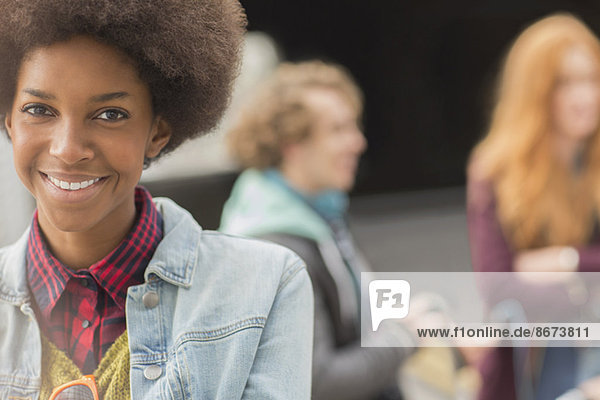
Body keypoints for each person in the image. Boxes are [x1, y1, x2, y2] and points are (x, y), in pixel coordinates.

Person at [0, 1, 314, 399]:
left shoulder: (265, 285)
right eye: (39, 109)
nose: (67, 149)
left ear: (157, 132)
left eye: (110, 114)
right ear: (9, 119)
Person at [219, 60, 416, 400]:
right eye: (338, 130)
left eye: (354, 126)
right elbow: (320, 383)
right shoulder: (276, 249)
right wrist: (405, 338)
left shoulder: (320, 210)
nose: (358, 143)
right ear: (290, 145)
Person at [467, 13, 600, 400]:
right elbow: (500, 289)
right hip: (525, 370)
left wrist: (567, 261)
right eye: (566, 83)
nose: (585, 96)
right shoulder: (495, 169)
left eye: (592, 80)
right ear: (535, 91)